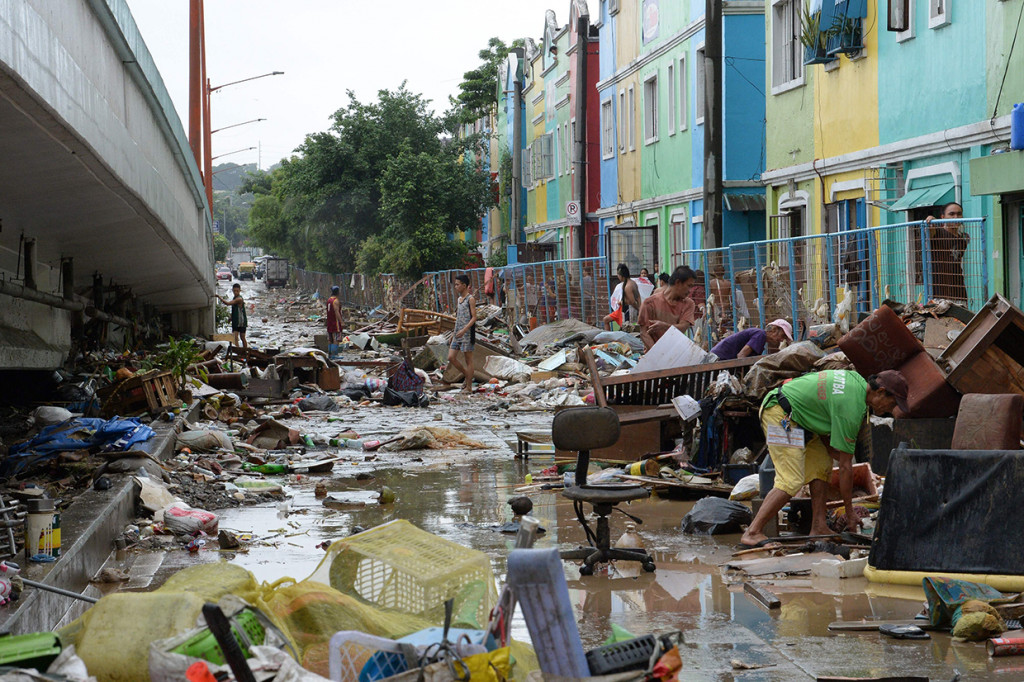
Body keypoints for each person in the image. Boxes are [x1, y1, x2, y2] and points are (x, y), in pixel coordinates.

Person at [739, 369, 908, 549]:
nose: (891, 410)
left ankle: (818, 526)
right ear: (881, 392)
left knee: (821, 466)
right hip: (780, 414)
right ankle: (753, 532)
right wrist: (849, 512)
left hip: (802, 419)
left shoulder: (856, 382)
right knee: (791, 480)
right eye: (892, 403)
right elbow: (844, 467)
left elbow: (831, 440)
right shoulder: (851, 407)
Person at [637, 265, 697, 350]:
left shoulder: (689, 304)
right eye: (689, 286)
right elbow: (644, 333)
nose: (690, 291)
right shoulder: (649, 303)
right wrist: (657, 354)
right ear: (678, 283)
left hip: (676, 354)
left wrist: (665, 326)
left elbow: (683, 327)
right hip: (653, 356)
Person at [925, 202, 968, 304]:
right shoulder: (938, 233)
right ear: (943, 217)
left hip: (958, 289)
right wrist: (931, 220)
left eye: (959, 214)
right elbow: (930, 230)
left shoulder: (962, 240)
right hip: (939, 292)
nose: (955, 217)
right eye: (951, 214)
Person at [447, 275, 478, 392]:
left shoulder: (470, 299)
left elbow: (474, 317)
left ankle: (469, 387)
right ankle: (467, 375)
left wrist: (464, 330)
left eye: (457, 284)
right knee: (451, 357)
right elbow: (458, 318)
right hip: (457, 333)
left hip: (467, 334)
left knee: (468, 360)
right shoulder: (459, 300)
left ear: (464, 285)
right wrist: (453, 333)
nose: (456, 287)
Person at [711, 319, 793, 360]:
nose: (782, 340)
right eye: (783, 336)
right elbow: (741, 356)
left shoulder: (761, 337)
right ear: (774, 330)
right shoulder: (760, 335)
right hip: (716, 359)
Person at [603, 263, 643, 330]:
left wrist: (639, 310)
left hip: (628, 311)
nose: (618, 277)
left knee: (627, 330)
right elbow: (638, 297)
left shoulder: (628, 286)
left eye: (618, 275)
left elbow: (632, 302)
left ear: (622, 276)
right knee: (606, 320)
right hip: (624, 309)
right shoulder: (633, 283)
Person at [217, 283, 248, 349]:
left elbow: (228, 303)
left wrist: (219, 297)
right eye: (234, 291)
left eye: (237, 291)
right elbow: (234, 309)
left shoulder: (239, 299)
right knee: (235, 337)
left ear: (240, 291)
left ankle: (245, 351)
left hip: (241, 321)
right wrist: (231, 318)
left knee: (242, 337)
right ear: (232, 291)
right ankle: (238, 352)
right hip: (235, 321)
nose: (236, 292)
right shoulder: (235, 298)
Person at [326, 285, 344, 352]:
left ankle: (330, 354)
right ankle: (334, 354)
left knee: (330, 338)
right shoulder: (335, 301)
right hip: (335, 322)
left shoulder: (329, 300)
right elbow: (337, 312)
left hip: (329, 321)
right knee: (337, 338)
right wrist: (341, 321)